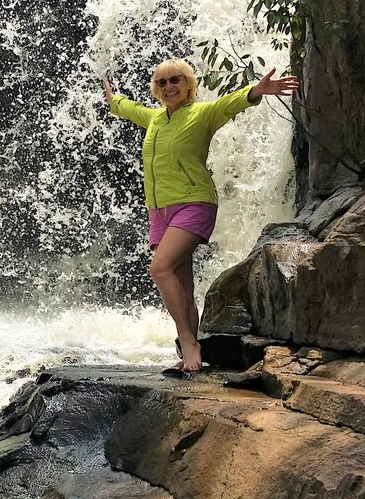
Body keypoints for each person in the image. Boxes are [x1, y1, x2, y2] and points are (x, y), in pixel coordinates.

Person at [102, 58, 298, 374]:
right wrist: (115, 101)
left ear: (189, 84)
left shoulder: (201, 114)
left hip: (194, 203)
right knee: (181, 284)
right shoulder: (154, 119)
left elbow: (229, 104)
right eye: (162, 82)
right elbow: (129, 109)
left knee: (160, 268)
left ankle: (187, 342)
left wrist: (256, 90)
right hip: (159, 211)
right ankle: (192, 348)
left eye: (175, 80)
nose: (168, 87)